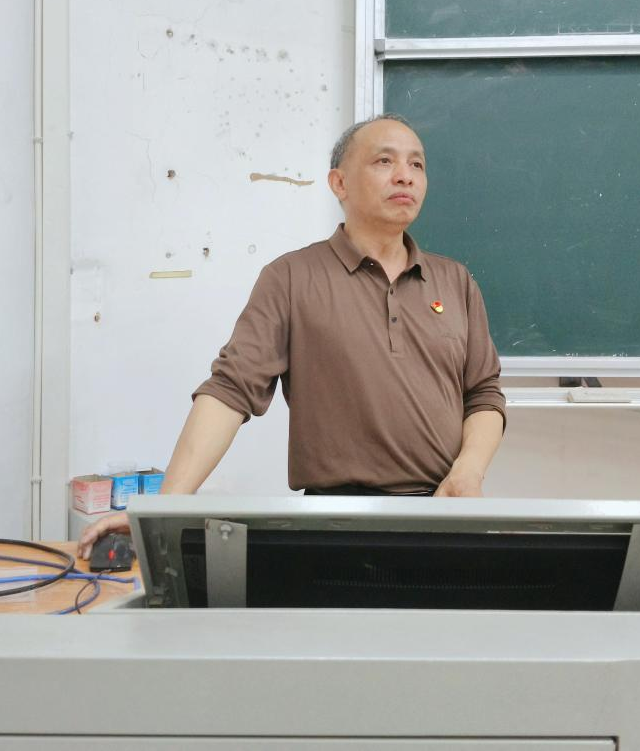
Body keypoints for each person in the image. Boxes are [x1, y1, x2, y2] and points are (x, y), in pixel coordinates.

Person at [78, 114, 504, 558]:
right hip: (335, 528)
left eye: (417, 164)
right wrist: (163, 508)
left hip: (444, 514)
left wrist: (468, 472)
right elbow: (230, 391)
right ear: (339, 183)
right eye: (384, 161)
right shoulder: (291, 278)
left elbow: (483, 394)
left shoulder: (455, 282)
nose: (405, 175)